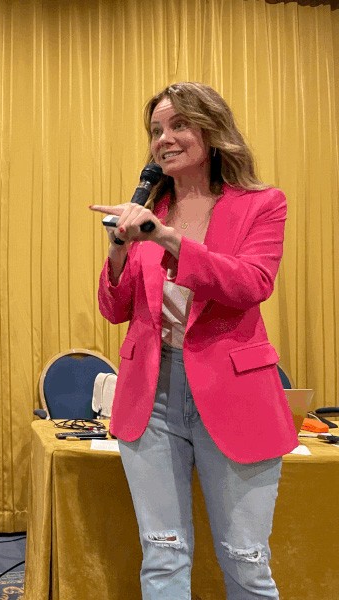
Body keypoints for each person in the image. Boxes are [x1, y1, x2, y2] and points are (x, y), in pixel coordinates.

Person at [88, 82, 298, 599]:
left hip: (233, 394)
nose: (165, 138)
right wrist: (117, 249)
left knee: (245, 560)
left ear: (212, 129)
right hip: (150, 394)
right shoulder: (147, 210)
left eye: (178, 125)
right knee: (162, 554)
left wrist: (165, 237)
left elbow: (252, 284)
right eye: (157, 130)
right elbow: (117, 310)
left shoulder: (261, 204)